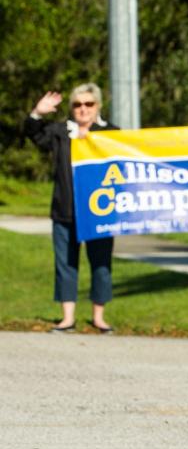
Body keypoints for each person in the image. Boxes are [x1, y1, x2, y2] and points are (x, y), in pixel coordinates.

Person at [25, 84, 119, 334]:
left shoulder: (111, 133)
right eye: (77, 105)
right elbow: (33, 135)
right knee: (65, 263)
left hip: (100, 212)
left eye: (88, 104)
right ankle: (67, 318)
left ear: (97, 106)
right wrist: (38, 113)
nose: (83, 109)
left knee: (101, 264)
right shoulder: (59, 132)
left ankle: (99, 317)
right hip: (64, 210)